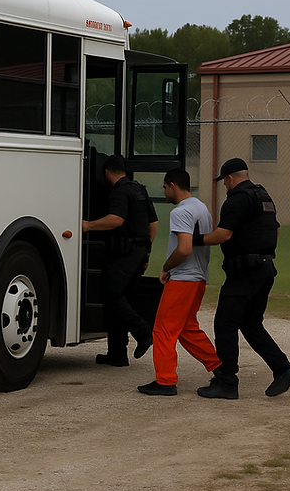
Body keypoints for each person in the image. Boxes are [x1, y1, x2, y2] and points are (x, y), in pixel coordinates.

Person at [193, 158, 290, 399]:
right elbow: (276, 229)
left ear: (230, 178)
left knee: (225, 324)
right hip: (264, 269)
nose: (225, 186)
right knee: (250, 324)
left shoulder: (237, 199)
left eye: (224, 182)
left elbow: (223, 234)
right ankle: (283, 369)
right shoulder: (264, 196)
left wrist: (194, 240)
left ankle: (227, 381)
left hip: (244, 272)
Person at [137, 168, 221, 396]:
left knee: (163, 329)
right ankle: (220, 368)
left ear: (173, 185)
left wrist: (166, 267)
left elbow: (184, 248)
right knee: (186, 328)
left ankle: (165, 381)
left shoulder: (181, 212)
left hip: (183, 279)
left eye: (165, 188)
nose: (164, 193)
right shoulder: (201, 208)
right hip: (199, 278)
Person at [82, 154, 157, 366]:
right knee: (122, 299)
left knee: (112, 296)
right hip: (139, 252)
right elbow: (153, 223)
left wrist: (87, 226)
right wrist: (146, 253)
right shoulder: (139, 189)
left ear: (106, 173)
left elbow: (116, 219)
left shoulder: (118, 191)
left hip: (123, 253)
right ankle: (117, 353)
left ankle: (142, 332)